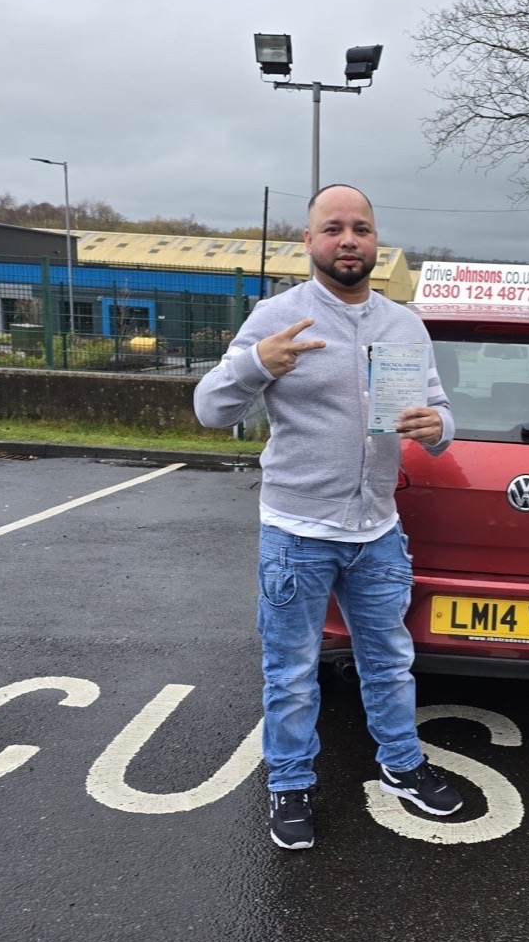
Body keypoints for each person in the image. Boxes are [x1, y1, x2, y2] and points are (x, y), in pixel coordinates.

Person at [194, 184, 461, 850]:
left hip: (376, 532)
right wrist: (258, 364)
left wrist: (439, 427)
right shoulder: (277, 318)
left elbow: (437, 412)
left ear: (377, 243)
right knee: (289, 669)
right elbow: (209, 410)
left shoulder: (404, 324)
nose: (349, 239)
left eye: (362, 228)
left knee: (389, 661)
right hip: (296, 533)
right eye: (333, 228)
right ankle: (288, 781)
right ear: (309, 242)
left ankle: (402, 766)